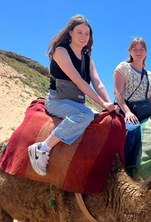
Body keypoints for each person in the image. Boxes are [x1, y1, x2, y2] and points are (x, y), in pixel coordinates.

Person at [28, 15, 115, 176]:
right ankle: (42, 148)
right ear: (70, 33)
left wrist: (110, 105)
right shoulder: (61, 51)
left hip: (76, 103)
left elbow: (98, 83)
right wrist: (103, 104)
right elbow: (79, 82)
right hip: (57, 100)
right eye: (79, 32)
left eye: (87, 34)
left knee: (101, 119)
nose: (83, 37)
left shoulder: (88, 60)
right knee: (86, 114)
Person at [113, 38, 151, 171]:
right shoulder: (124, 68)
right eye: (135, 49)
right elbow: (117, 93)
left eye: (141, 49)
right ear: (129, 51)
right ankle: (124, 167)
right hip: (125, 109)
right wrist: (127, 112)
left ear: (146, 52)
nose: (138, 52)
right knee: (132, 129)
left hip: (145, 112)